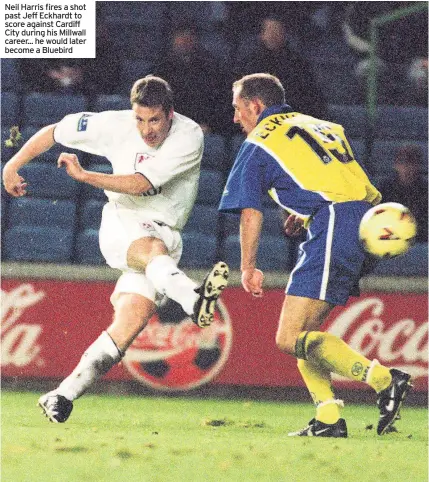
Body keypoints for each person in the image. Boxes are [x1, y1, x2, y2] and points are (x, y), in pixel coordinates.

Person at [2, 75, 229, 423]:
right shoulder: (115, 124)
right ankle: (193, 299)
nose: (146, 128)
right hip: (124, 223)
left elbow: (141, 183)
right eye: (140, 118)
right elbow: (54, 130)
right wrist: (13, 164)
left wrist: (86, 176)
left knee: (130, 324)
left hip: (167, 238)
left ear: (170, 114)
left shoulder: (189, 135)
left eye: (154, 120)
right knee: (152, 248)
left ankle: (62, 395)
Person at [219, 73, 412, 437]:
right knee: (304, 333)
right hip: (360, 219)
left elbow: (250, 210)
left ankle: (386, 380)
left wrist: (247, 267)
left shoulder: (259, 141)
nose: (235, 118)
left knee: (289, 337)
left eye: (237, 108)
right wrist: (305, 209)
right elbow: (343, 182)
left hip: (334, 223)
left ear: (255, 106)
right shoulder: (323, 126)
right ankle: (327, 418)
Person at [234, 16, 327, 119]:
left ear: (284, 34)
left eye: (277, 30)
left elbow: (310, 96)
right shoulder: (249, 63)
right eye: (269, 30)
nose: (273, 35)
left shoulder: (297, 63)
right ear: (262, 35)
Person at [153, 24, 231, 135]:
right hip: (171, 127)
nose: (185, 40)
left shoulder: (211, 67)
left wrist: (209, 125)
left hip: (203, 127)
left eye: (189, 35)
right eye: (180, 36)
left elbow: (220, 100)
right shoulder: (162, 69)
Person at [378, 144, 428, 242]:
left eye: (412, 164)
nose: (407, 168)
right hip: (390, 238)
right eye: (403, 163)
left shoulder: (426, 189)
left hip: (419, 239)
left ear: (419, 166)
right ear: (396, 165)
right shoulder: (385, 188)